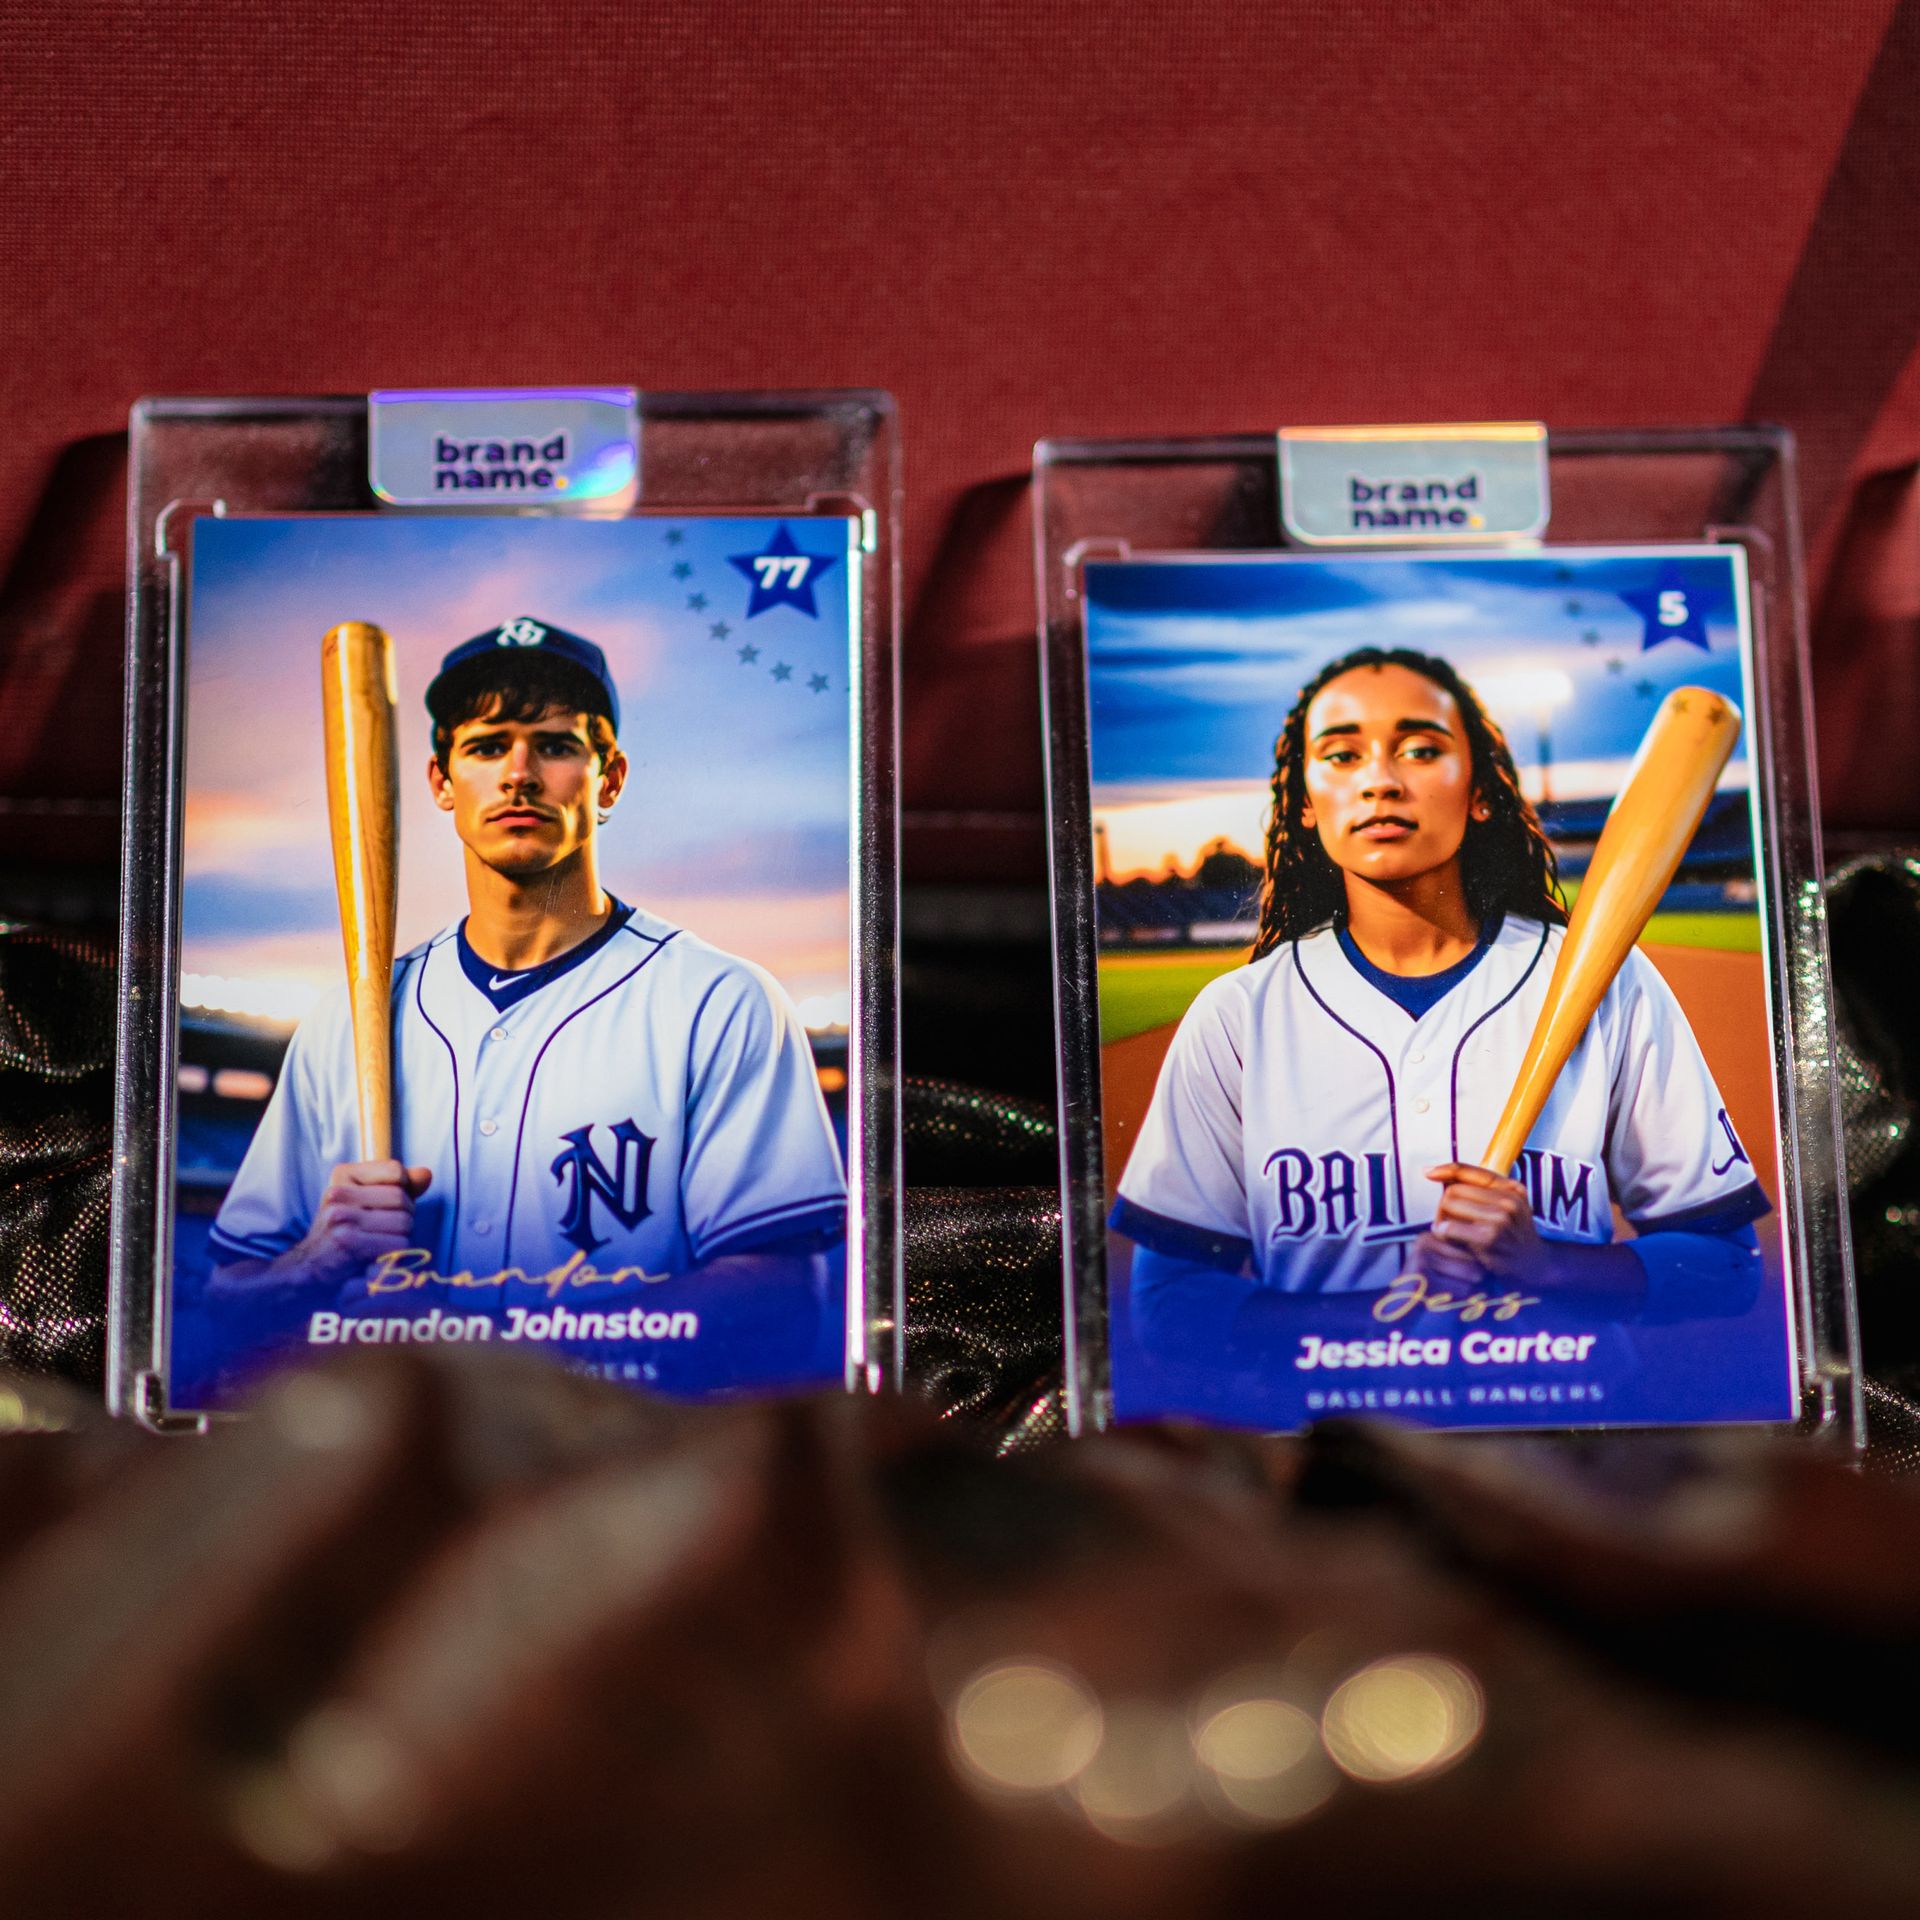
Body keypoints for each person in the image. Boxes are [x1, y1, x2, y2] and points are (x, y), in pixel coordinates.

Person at [208, 617, 847, 1384]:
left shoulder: (717, 1002)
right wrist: (313, 1265)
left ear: (608, 779)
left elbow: (786, 1300)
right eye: (485, 746)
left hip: (622, 1472)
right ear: (441, 782)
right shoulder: (350, 1020)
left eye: (554, 745)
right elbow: (226, 1301)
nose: (519, 772)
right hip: (395, 1470)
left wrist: (513, 1355)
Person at [1112, 646, 1770, 1363]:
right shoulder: (1240, 1016)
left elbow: (1729, 1268)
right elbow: (1166, 1303)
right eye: (1341, 756)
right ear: (1304, 803)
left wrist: (1546, 1266)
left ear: (1479, 790)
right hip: (1329, 1447)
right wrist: (1377, 1325)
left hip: (1563, 1443)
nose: (1381, 781)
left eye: (1421, 749)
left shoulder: (1609, 983)